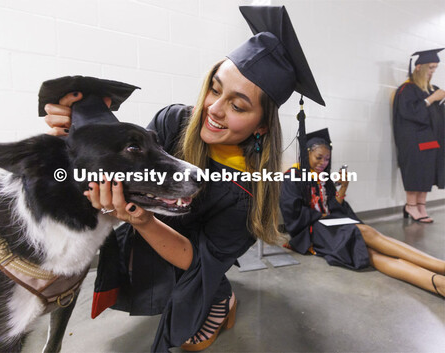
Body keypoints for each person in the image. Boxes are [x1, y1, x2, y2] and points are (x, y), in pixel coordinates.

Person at [43, 6, 325, 352]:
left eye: (237, 106)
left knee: (200, 278)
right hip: (150, 235)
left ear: (262, 125)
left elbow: (199, 258)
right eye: (214, 89)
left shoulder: (249, 193)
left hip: (189, 255)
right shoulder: (174, 122)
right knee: (144, 266)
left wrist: (143, 220)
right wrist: (76, 132)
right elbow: (124, 157)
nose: (214, 109)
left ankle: (221, 297)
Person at [280, 128, 445, 297]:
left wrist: (343, 187)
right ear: (306, 154)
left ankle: (437, 283)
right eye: (319, 157)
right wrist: (321, 216)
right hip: (314, 232)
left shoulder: (322, 177)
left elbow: (332, 207)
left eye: (327, 159)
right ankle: (440, 268)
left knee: (371, 253)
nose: (323, 163)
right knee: (365, 232)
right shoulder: (293, 176)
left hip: (330, 225)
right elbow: (293, 213)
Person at [392, 48, 445, 223]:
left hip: (431, 141)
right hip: (413, 141)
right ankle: (411, 206)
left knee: (427, 173)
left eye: (435, 68)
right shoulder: (407, 89)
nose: (432, 72)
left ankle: (421, 206)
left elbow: (437, 116)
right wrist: (432, 99)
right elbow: (411, 112)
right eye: (430, 67)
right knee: (415, 172)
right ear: (419, 67)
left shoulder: (432, 89)